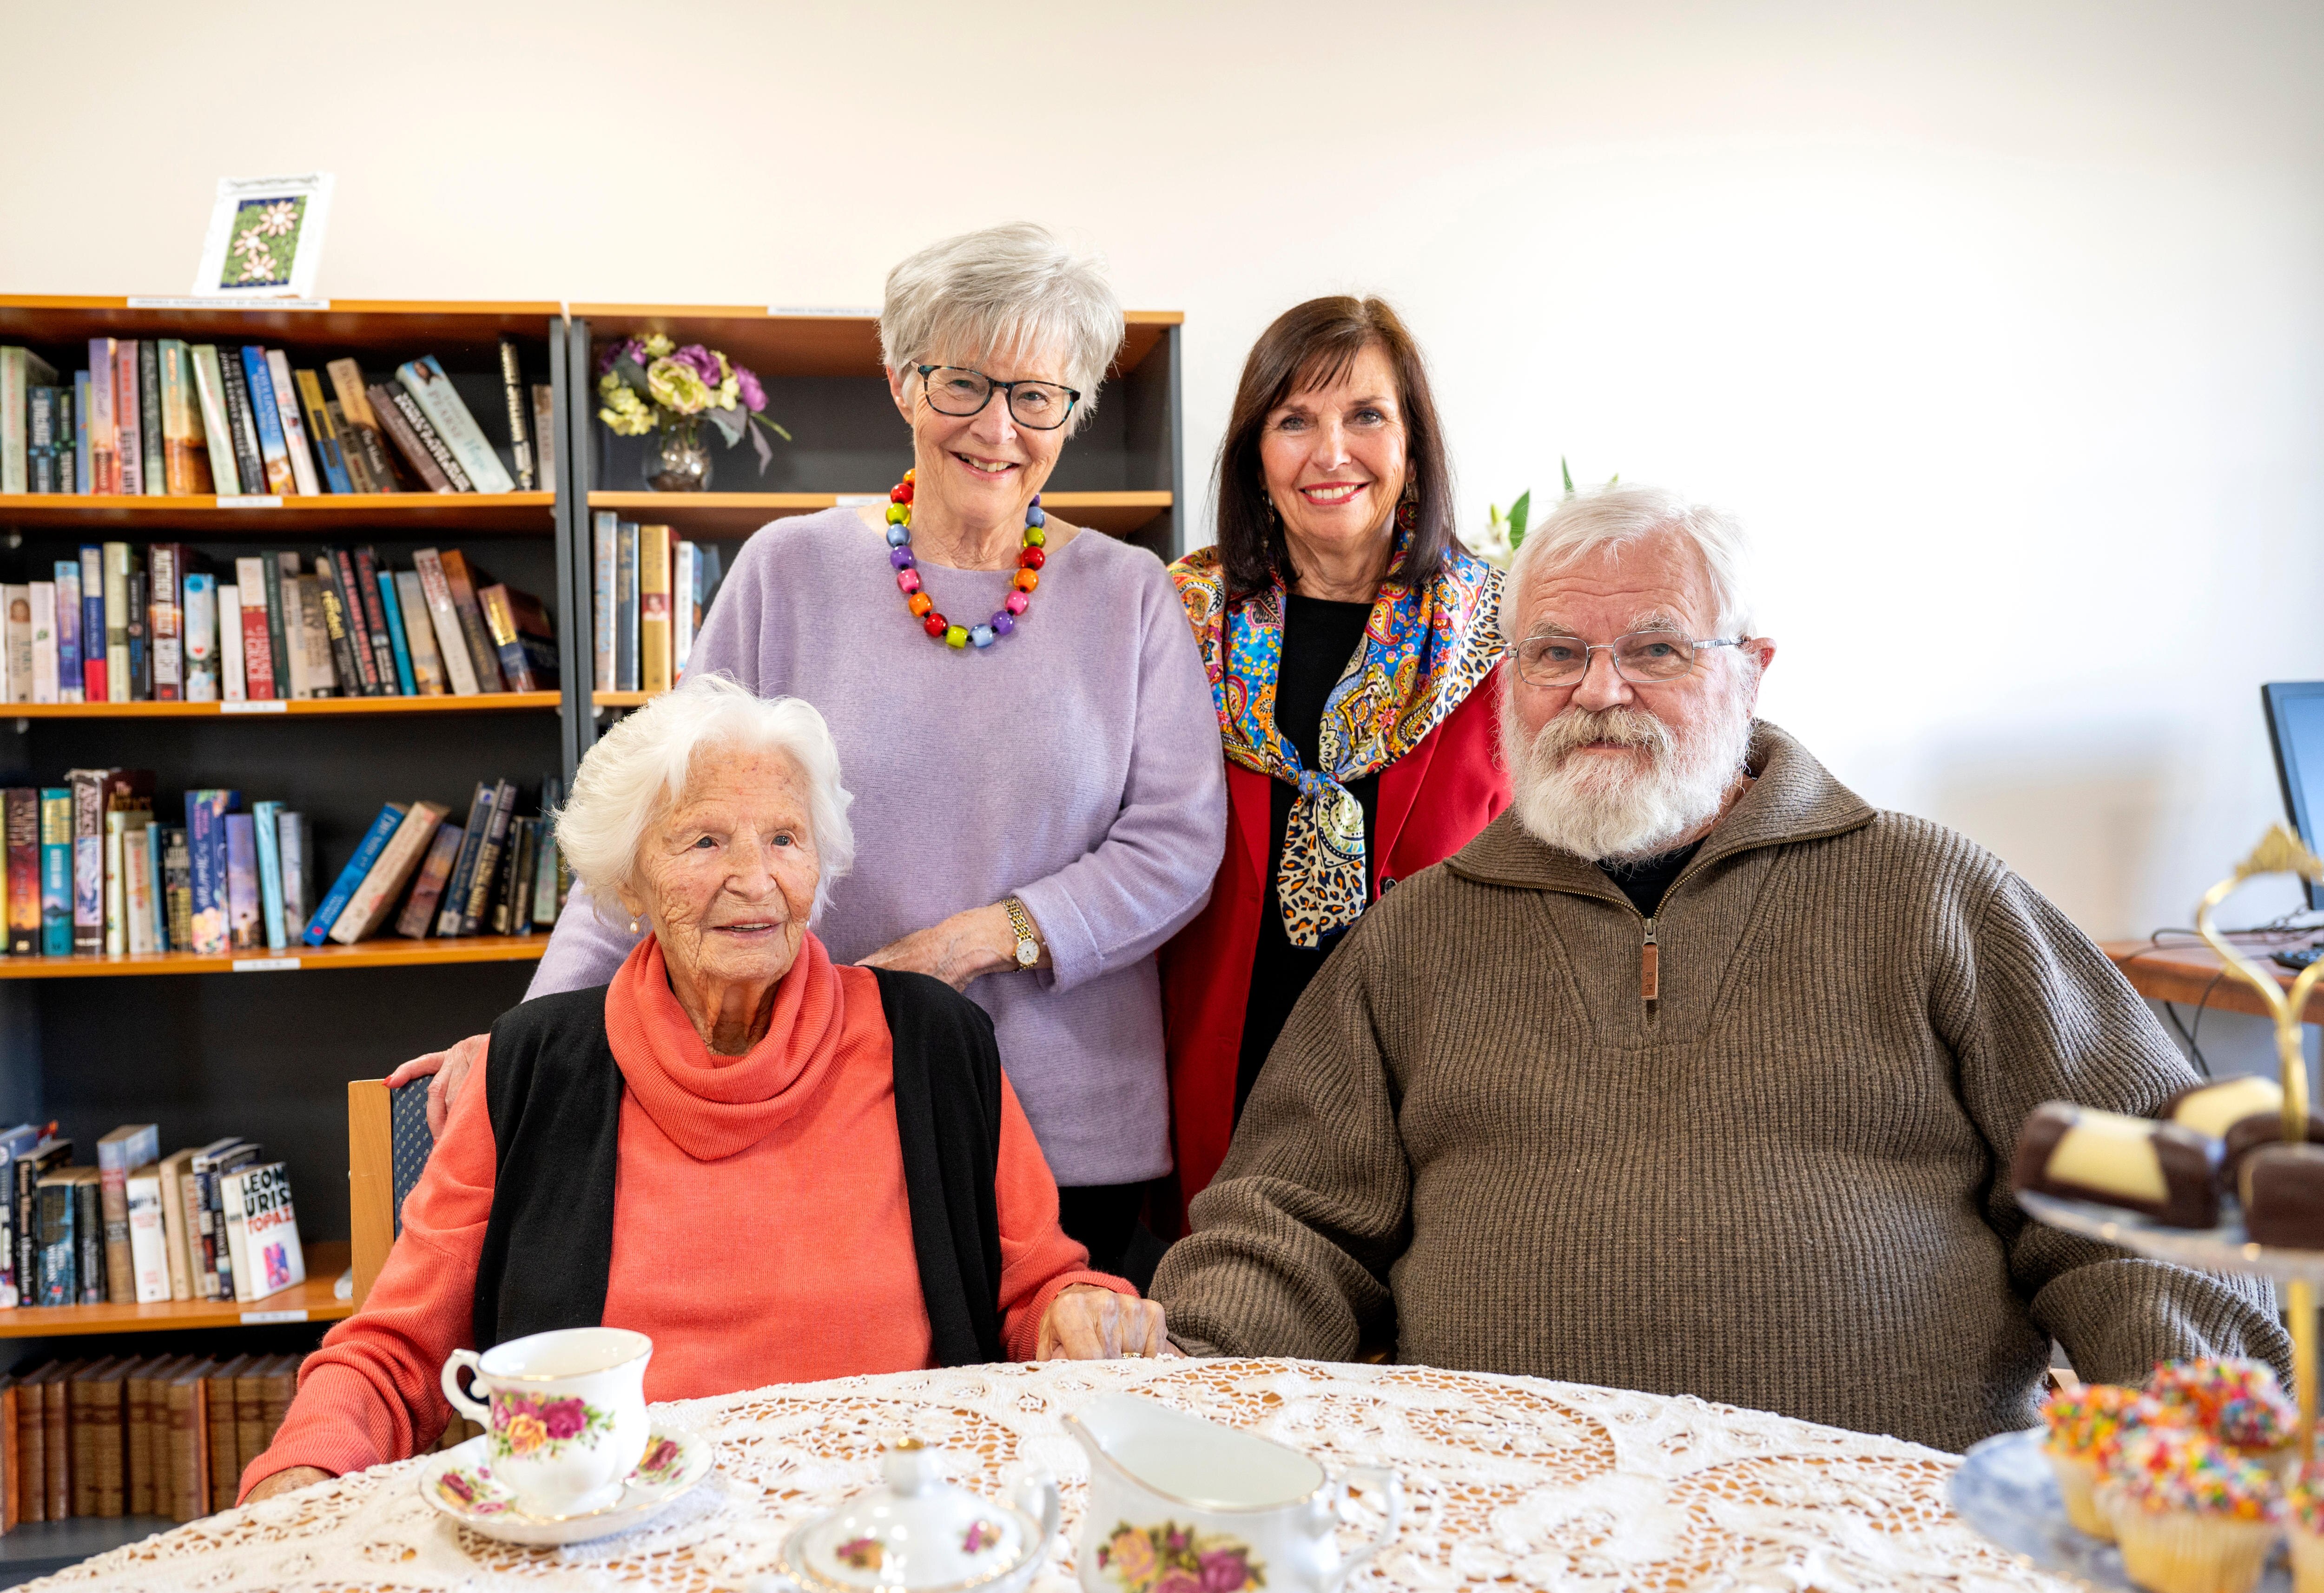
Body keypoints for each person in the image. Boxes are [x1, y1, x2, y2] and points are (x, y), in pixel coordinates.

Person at [1147, 484, 2291, 1454]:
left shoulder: (1930, 890)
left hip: (1887, 1529)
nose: (1599, 691)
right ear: (1507, 679)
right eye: (1555, 653)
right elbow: (1290, 1225)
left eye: (1654, 649)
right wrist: (1171, 1376)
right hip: (1502, 1529)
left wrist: (2188, 1440)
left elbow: (2148, 1196)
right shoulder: (1415, 939)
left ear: (1751, 669)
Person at [390, 223, 1226, 1283]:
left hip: (1071, 1123)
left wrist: (962, 946)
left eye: (1037, 394)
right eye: (962, 382)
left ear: (1074, 411)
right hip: (824, 1095)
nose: (998, 427)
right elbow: (665, 825)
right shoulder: (787, 570)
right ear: (901, 382)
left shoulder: (1133, 595)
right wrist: (530, 1040)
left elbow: (1175, 844)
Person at [244, 677, 1169, 1503]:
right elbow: (393, 1353)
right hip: (613, 1548)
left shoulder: (931, 1044)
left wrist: (1080, 1311)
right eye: (703, 840)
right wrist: (299, 1475)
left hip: (893, 1535)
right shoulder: (530, 1070)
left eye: (784, 838)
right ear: (630, 878)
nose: (754, 879)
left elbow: (1039, 1288)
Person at [1161, 297, 1507, 1221]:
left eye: (1365, 416)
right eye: (1293, 421)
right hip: (1217, 1059)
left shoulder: (1497, 637)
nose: (1330, 453)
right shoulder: (1177, 620)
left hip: (1436, 1072)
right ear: (1253, 453)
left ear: (1412, 444)